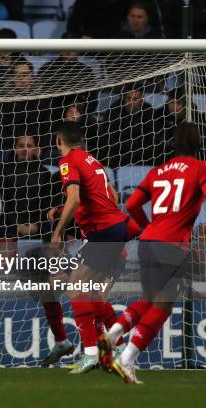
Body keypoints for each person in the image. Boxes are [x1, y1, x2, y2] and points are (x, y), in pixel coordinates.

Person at [98, 123, 205, 384]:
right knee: (163, 306)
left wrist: (148, 227)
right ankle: (126, 358)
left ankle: (113, 334)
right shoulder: (201, 169)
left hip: (148, 241)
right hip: (172, 245)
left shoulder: (158, 171)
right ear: (198, 143)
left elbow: (132, 204)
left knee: (150, 299)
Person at [47, 121, 141, 374]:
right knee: (88, 292)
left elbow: (75, 198)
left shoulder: (67, 161)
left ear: (58, 141)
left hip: (104, 233)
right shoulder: (91, 159)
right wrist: (62, 210)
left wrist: (57, 233)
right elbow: (112, 195)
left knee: (76, 286)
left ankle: (91, 353)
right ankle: (118, 348)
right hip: (115, 228)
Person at [0, 133, 57, 240]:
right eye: (21, 145)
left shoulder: (44, 173)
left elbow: (47, 204)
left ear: (36, 149)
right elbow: (0, 202)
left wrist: (37, 225)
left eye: (29, 146)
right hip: (8, 225)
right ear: (15, 148)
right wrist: (17, 225)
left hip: (38, 227)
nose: (25, 149)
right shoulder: (2, 171)